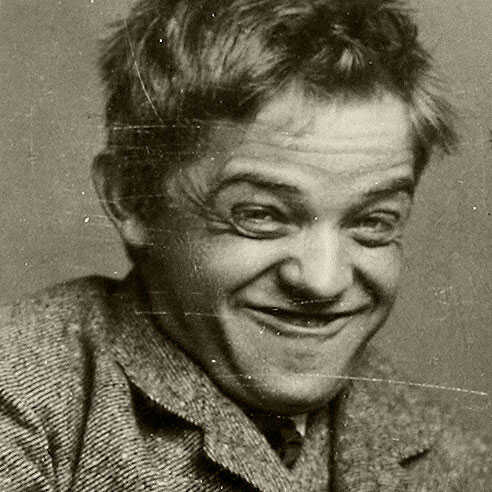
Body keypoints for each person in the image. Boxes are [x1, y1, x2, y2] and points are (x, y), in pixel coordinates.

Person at [0, 0, 489, 490]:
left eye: (373, 222)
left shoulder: (458, 458)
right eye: (261, 215)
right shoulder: (25, 400)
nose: (323, 281)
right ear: (132, 197)